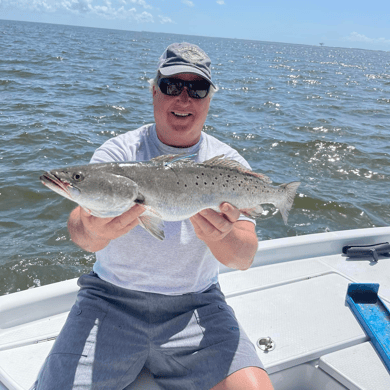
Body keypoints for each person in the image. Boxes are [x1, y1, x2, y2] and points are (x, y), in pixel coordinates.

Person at [32, 43, 274, 390]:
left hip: (197, 307)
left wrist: (220, 236)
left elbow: (244, 257)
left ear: (209, 99)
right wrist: (92, 225)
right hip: (108, 302)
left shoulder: (228, 164)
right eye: (172, 86)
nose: (184, 98)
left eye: (198, 88)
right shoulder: (119, 152)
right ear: (154, 91)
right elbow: (81, 235)